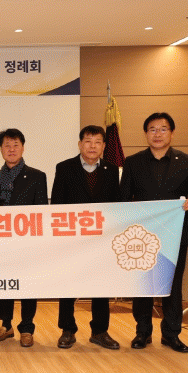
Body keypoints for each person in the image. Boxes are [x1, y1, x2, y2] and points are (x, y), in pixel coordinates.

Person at [120, 112, 188, 353]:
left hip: (174, 234)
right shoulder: (133, 162)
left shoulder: (187, 161)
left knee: (173, 285)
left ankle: (171, 334)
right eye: (152, 129)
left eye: (163, 129)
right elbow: (123, 197)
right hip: (141, 237)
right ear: (146, 133)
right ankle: (142, 332)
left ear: (172, 133)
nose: (157, 134)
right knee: (143, 285)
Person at [50, 125, 120, 350]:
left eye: (97, 142)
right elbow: (58, 204)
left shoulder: (112, 170)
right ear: (80, 144)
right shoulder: (64, 168)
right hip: (72, 239)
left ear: (104, 146)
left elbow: (117, 205)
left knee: (101, 285)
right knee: (68, 284)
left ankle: (99, 331)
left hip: (102, 239)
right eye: (88, 141)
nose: (92, 146)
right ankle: (67, 330)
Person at [0, 129, 47, 347]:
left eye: (15, 145)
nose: (11, 150)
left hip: (28, 242)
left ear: (23, 148)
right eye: (7, 145)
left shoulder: (37, 176)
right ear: (1, 149)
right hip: (2, 242)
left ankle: (27, 327)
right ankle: (6, 325)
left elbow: (42, 211)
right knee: (5, 283)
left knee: (28, 284)